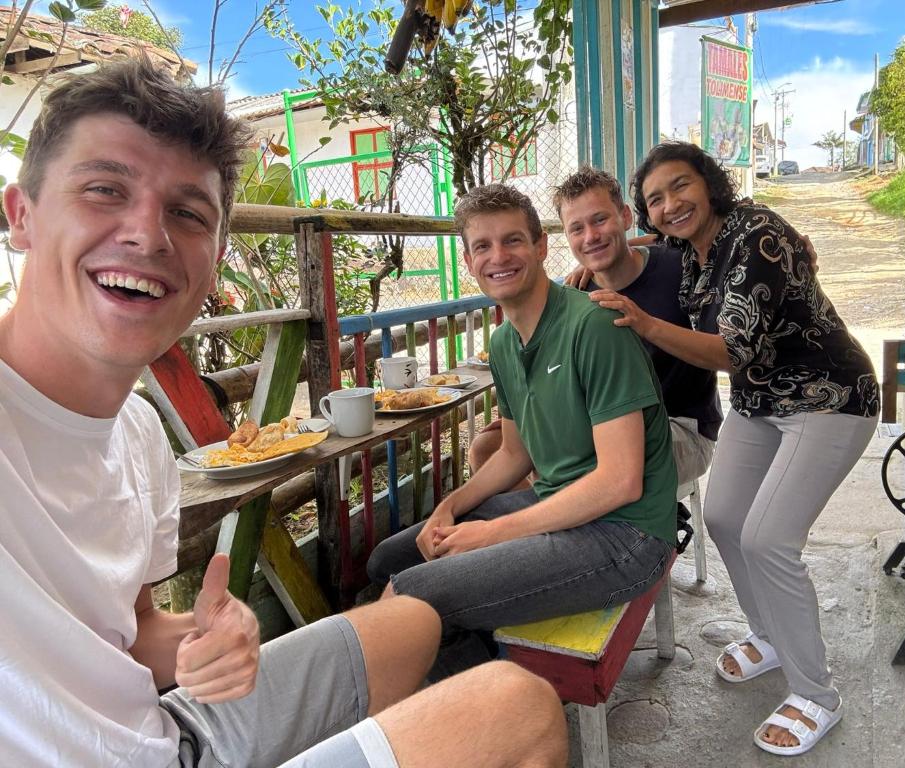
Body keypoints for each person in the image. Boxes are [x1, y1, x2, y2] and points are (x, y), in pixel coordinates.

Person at [0, 57, 567, 768]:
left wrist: (220, 634)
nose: (147, 234)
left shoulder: (139, 433)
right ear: (21, 216)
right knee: (518, 706)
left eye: (186, 212)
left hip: (161, 729)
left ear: (213, 258)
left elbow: (133, 636)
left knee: (415, 618)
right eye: (104, 190)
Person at [591, 141, 879, 757]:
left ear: (709, 183)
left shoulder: (756, 234)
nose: (671, 205)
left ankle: (815, 694)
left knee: (768, 539)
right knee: (722, 517)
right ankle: (769, 634)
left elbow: (731, 351)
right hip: (762, 404)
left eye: (680, 186)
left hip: (828, 397)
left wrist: (641, 321)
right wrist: (594, 262)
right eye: (656, 199)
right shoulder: (688, 248)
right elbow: (653, 245)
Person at [367, 183, 678, 674]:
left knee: (413, 594)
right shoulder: (505, 343)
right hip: (558, 504)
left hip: (626, 537)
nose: (498, 257)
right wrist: (448, 506)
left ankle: (474, 720)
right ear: (469, 262)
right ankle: (490, 675)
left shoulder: (593, 327)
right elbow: (514, 455)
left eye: (512, 241)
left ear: (539, 247)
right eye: (482, 246)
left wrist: (493, 534)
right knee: (389, 559)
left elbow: (621, 480)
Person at [469, 166, 721, 500]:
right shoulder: (579, 292)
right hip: (596, 418)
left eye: (600, 220)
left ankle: (628, 539)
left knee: (582, 457)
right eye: (577, 228)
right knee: (487, 447)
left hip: (680, 425)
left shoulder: (679, 266)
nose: (591, 236)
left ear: (626, 217)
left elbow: (718, 238)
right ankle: (550, 525)